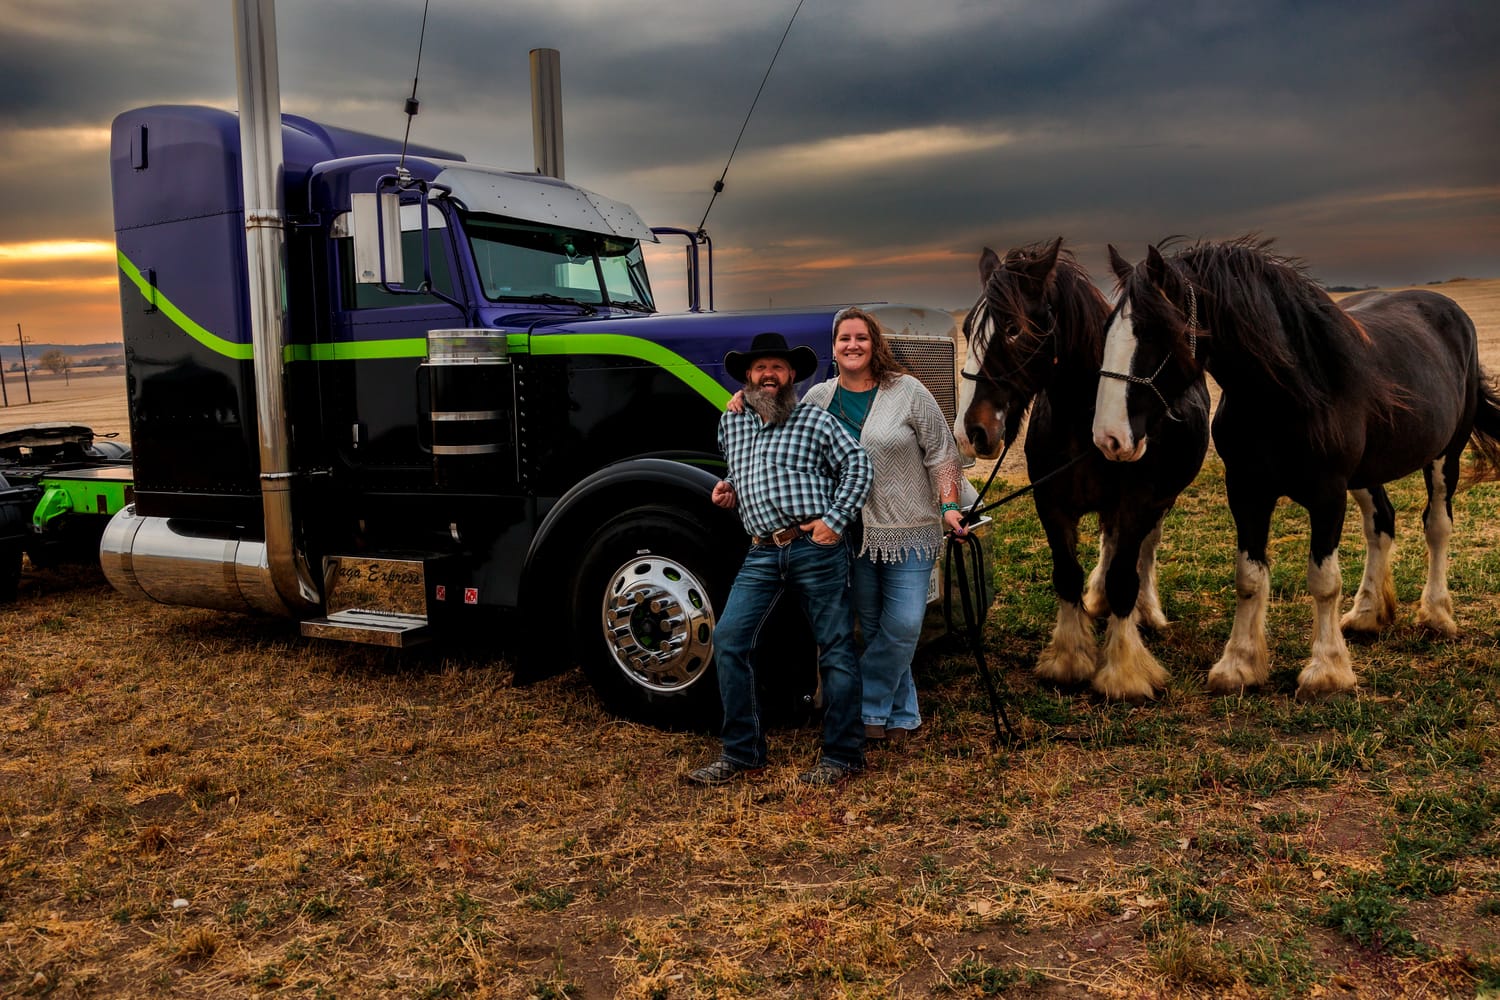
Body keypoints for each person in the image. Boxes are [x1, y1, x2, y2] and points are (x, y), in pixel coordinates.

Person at [686, 332, 873, 788]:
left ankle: (844, 756)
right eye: (759, 368)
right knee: (728, 640)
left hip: (815, 547)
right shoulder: (730, 424)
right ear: (748, 377)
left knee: (834, 648)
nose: (768, 374)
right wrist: (728, 490)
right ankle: (742, 754)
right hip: (761, 552)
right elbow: (741, 472)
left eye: (778, 367)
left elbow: (858, 465)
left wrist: (834, 519)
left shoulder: (814, 419)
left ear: (792, 376)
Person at [802, 307, 965, 744]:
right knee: (872, 627)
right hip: (849, 534)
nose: (852, 346)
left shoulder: (909, 391)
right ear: (833, 348)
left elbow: (942, 453)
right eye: (843, 339)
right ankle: (899, 716)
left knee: (906, 624)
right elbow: (788, 442)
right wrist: (743, 401)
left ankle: (863, 707)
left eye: (861, 338)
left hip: (910, 527)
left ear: (875, 344)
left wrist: (949, 505)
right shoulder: (818, 398)